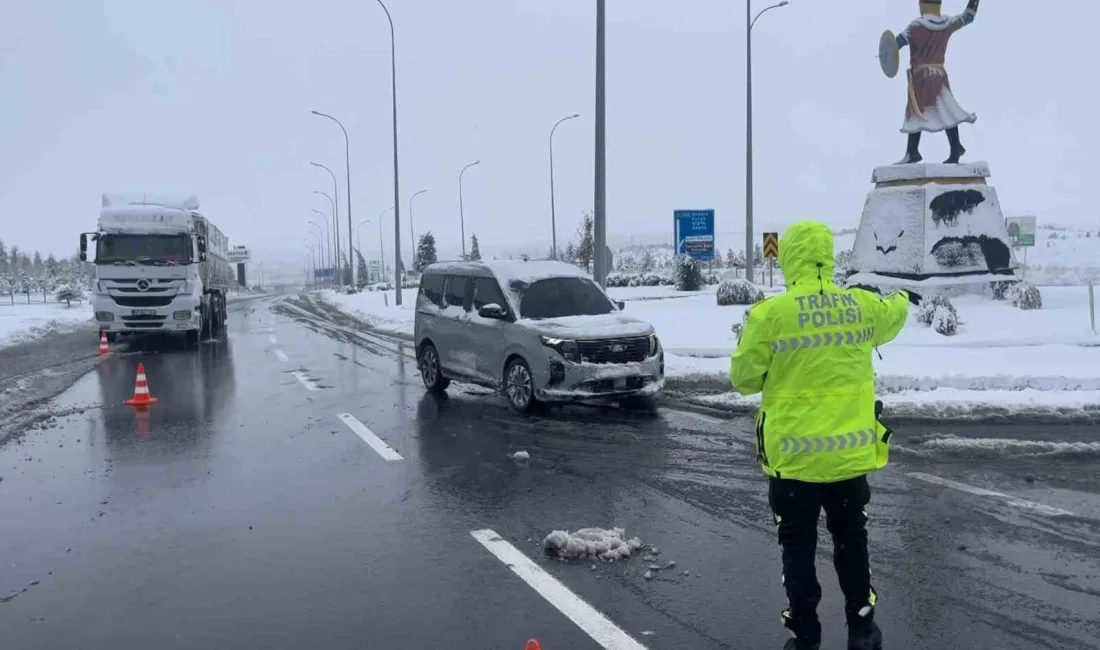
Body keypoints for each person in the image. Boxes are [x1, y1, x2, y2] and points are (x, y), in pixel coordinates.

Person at [730, 222, 920, 650]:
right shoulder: (861, 307)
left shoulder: (771, 315)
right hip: (850, 459)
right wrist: (905, 297)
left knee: (797, 546)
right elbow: (893, 315)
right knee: (852, 539)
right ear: (829, 258)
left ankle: (805, 635)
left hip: (794, 463)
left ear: (789, 259)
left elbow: (743, 379)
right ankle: (862, 626)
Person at [894, 0, 981, 165]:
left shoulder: (915, 26)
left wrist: (886, 51)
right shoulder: (947, 24)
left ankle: (913, 152)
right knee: (944, 109)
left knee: (917, 112)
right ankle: (953, 147)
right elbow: (968, 17)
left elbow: (897, 43)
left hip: (921, 77)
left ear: (923, 5)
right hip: (938, 74)